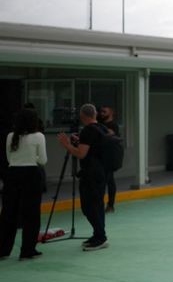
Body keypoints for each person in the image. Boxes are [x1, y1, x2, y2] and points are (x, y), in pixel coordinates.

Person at [57, 104, 109, 251]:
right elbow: (92, 148)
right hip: (101, 172)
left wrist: (66, 144)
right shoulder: (102, 128)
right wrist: (79, 140)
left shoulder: (88, 130)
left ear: (82, 117)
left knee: (89, 207)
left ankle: (101, 238)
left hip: (91, 174)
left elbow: (81, 154)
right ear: (95, 115)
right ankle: (98, 234)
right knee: (97, 205)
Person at [0, 108, 47, 260]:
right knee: (31, 214)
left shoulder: (10, 136)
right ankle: (27, 251)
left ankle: (3, 250)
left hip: (12, 174)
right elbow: (43, 160)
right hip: (31, 175)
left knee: (8, 213)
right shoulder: (38, 136)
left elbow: (8, 158)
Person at [98, 106, 120, 213]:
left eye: (104, 112)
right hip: (102, 157)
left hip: (110, 157)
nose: (102, 113)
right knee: (103, 181)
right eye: (101, 112)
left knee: (109, 181)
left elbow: (109, 135)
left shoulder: (113, 125)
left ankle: (110, 205)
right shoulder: (101, 124)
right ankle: (102, 204)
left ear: (111, 113)